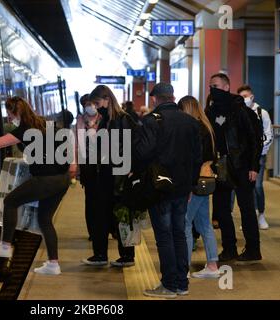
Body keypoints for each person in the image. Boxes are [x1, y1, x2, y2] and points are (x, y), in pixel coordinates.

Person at [0, 97, 76, 275]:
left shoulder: (25, 128)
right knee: (45, 219)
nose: (9, 119)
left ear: (15, 112)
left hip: (45, 179)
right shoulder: (45, 124)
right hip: (61, 179)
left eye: (10, 115)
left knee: (10, 201)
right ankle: (53, 264)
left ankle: (5, 245)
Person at [134, 83, 202, 298]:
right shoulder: (191, 122)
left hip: (160, 187)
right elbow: (197, 157)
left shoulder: (151, 121)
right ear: (173, 97)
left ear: (155, 99)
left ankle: (169, 285)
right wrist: (191, 184)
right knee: (179, 233)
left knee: (164, 236)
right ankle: (182, 283)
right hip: (182, 188)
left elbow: (142, 153)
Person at [206, 73, 262, 264]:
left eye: (216, 85)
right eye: (210, 86)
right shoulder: (211, 111)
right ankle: (229, 248)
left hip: (242, 165)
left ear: (227, 87)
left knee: (246, 208)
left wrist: (255, 166)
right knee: (221, 209)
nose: (212, 89)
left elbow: (255, 140)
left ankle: (253, 249)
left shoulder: (242, 111)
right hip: (221, 166)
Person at [81, 85, 138, 268]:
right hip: (105, 174)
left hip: (119, 176)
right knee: (102, 215)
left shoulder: (123, 119)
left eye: (98, 103)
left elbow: (130, 146)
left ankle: (126, 255)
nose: (96, 107)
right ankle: (100, 254)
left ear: (107, 99)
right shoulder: (105, 120)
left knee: (121, 215)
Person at [178, 96, 220, 279]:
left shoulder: (194, 129)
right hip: (207, 180)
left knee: (185, 223)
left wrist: (189, 185)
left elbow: (194, 160)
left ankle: (184, 268)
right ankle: (212, 265)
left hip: (196, 183)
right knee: (204, 224)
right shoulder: (208, 127)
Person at [238, 85, 273, 230]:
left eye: (246, 96)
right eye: (241, 97)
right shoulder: (238, 113)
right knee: (246, 187)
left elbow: (269, 134)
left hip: (258, 156)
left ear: (252, 96)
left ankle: (261, 214)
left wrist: (258, 151)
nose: (244, 99)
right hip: (243, 157)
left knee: (257, 186)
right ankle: (249, 216)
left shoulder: (262, 113)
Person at [76, 94, 102, 241]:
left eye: (91, 103)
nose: (89, 106)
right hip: (87, 165)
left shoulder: (103, 118)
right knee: (90, 199)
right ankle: (93, 232)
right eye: (85, 104)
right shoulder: (80, 120)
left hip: (103, 164)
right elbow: (77, 143)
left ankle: (107, 228)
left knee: (103, 198)